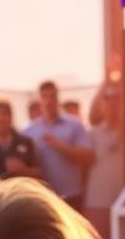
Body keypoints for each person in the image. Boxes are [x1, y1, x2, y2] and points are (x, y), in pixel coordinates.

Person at [24, 79, 95, 211]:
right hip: (43, 198)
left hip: (72, 197)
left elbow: (88, 157)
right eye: (45, 97)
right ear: (39, 100)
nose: (49, 101)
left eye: (52, 96)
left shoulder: (74, 125)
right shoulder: (29, 131)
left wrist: (61, 147)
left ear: (58, 98)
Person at [84, 82, 125, 239]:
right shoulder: (92, 134)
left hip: (123, 201)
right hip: (97, 201)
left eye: (116, 99)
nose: (112, 105)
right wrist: (105, 81)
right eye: (107, 100)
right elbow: (92, 114)